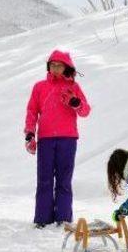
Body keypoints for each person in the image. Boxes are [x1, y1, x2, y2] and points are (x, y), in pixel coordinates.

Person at [24, 49, 91, 228]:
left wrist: (76, 103)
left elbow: (85, 111)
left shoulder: (73, 88)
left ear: (66, 67)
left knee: (64, 179)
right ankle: (42, 218)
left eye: (58, 65)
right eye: (52, 65)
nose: (55, 68)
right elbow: (32, 111)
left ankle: (63, 218)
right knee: (44, 179)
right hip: (45, 139)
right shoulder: (39, 87)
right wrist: (30, 132)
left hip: (67, 139)